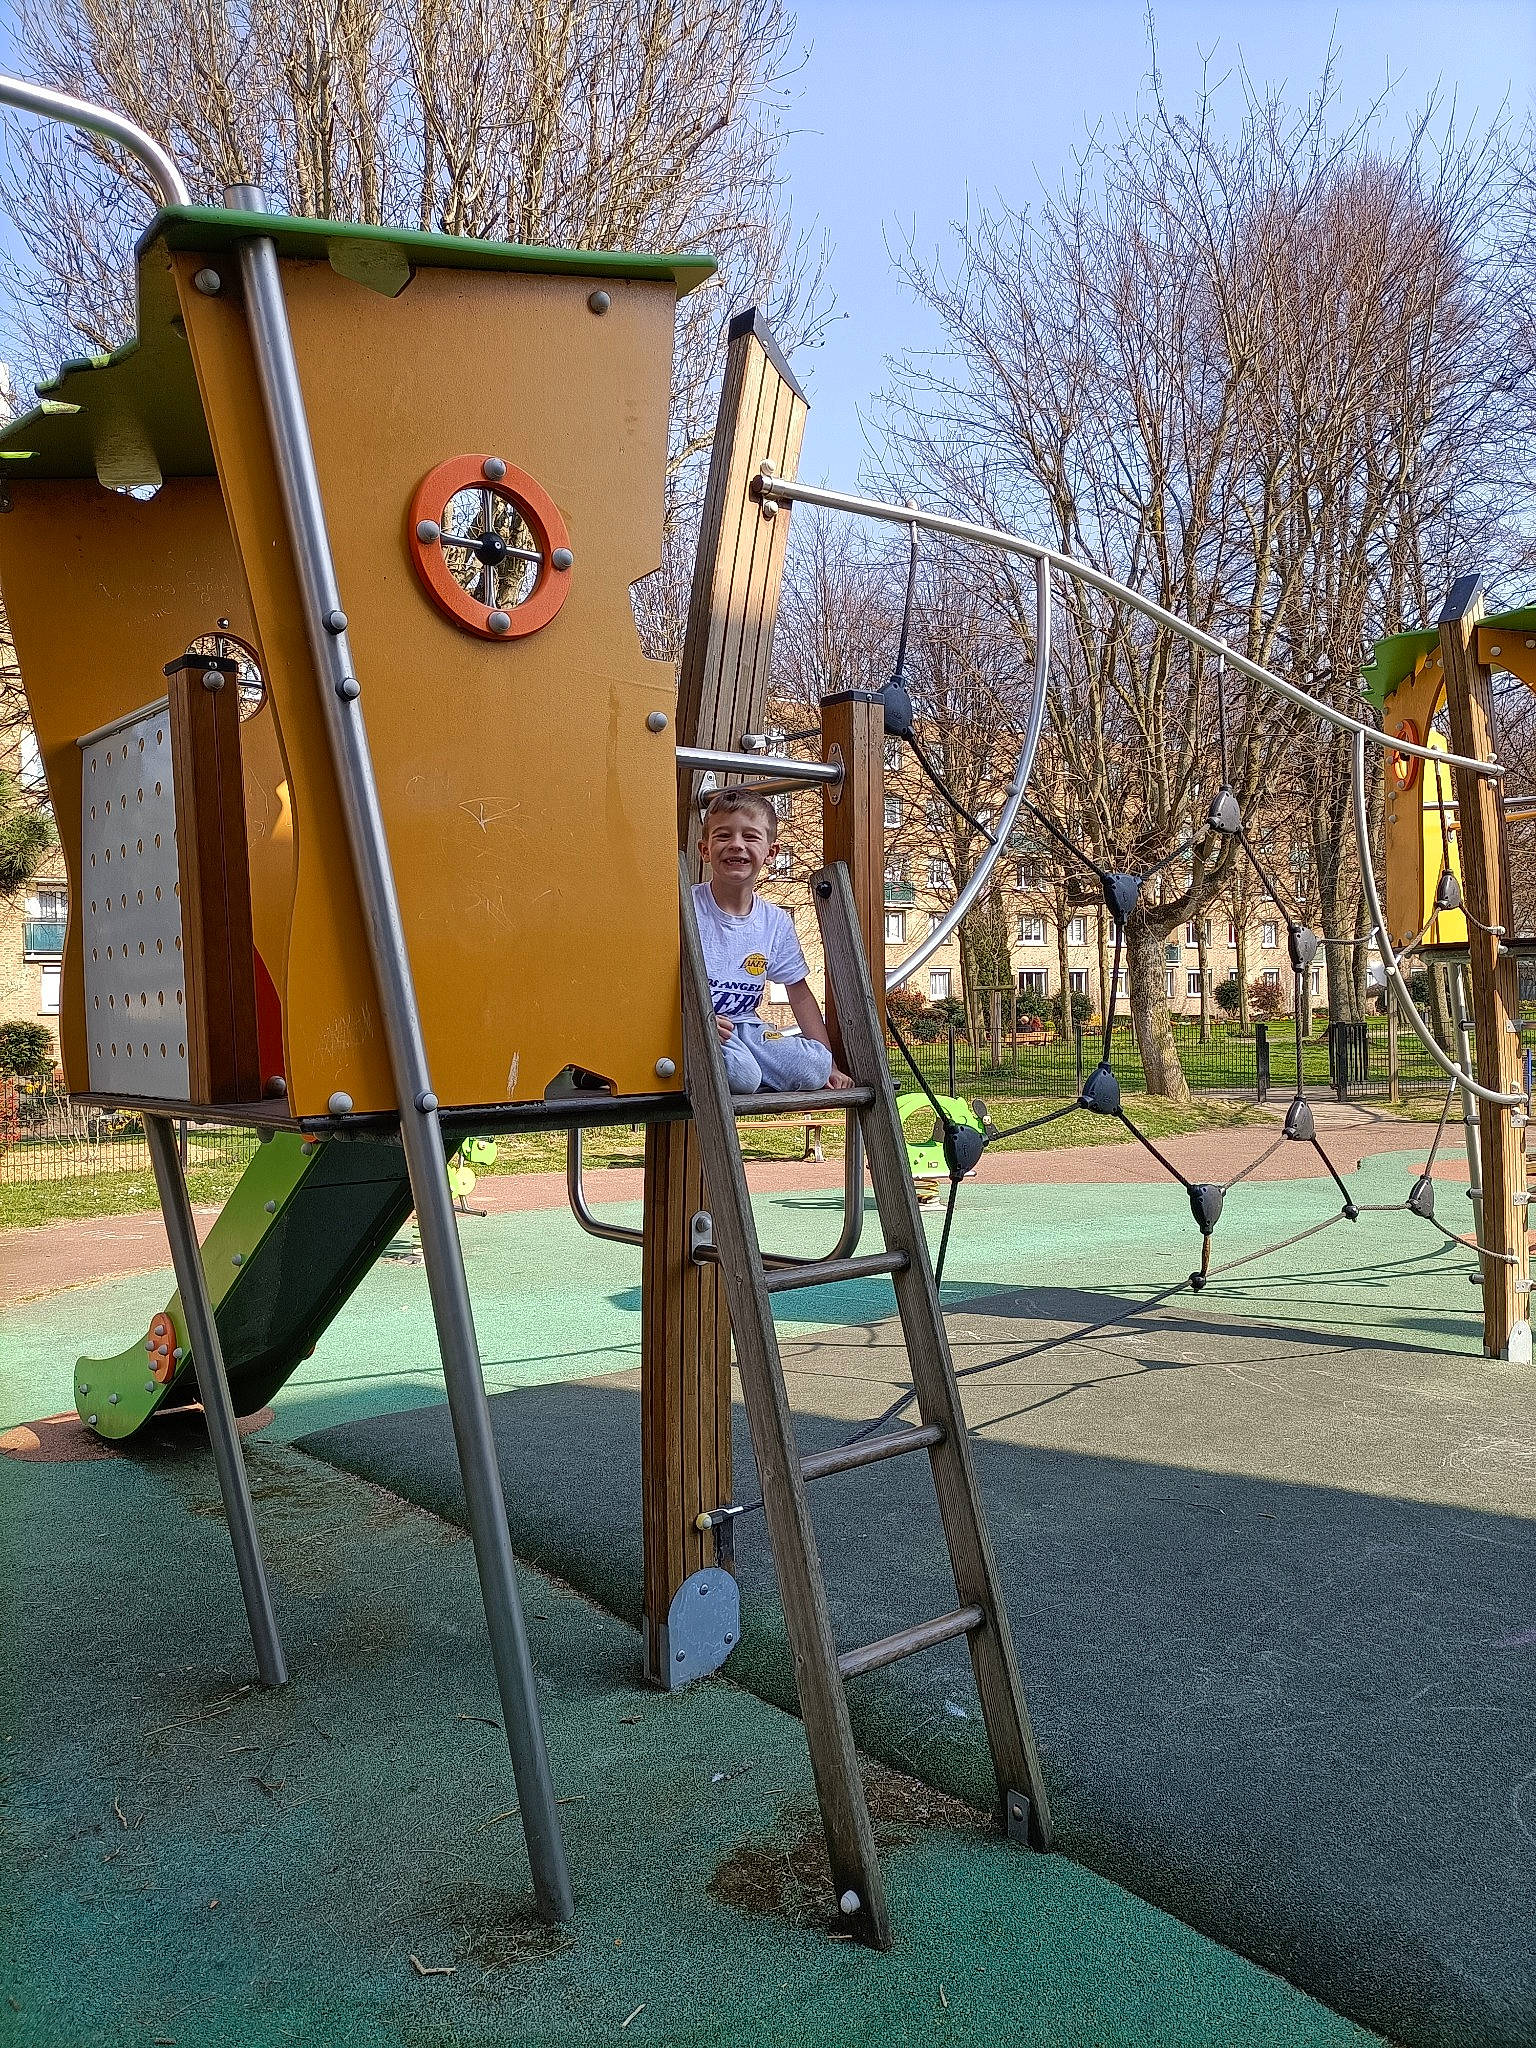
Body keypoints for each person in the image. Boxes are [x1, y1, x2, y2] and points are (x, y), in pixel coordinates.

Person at [693, 790, 854, 1094]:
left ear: (770, 852)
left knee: (815, 1065)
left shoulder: (775, 921)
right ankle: (728, 1067)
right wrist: (691, 1022)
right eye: (723, 835)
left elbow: (800, 994)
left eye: (750, 837)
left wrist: (830, 1065)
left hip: (748, 1030)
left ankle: (751, 1069)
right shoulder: (686, 908)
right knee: (742, 1076)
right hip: (699, 1027)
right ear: (705, 849)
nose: (736, 844)